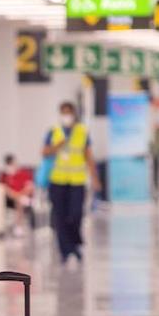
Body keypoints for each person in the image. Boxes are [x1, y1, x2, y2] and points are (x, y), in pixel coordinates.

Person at [42, 102, 100, 266]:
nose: (66, 116)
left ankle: (75, 243)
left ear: (74, 114)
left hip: (77, 181)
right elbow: (44, 153)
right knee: (60, 217)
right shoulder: (54, 131)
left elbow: (88, 156)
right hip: (57, 181)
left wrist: (95, 178)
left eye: (69, 112)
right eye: (63, 113)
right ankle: (66, 251)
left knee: (75, 215)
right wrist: (56, 146)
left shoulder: (82, 131)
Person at [0, 153, 35, 235]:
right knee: (15, 196)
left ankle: (18, 226)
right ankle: (22, 200)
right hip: (9, 199)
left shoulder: (24, 173)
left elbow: (29, 187)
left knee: (19, 202)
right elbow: (4, 188)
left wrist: (21, 194)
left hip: (23, 196)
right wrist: (16, 195)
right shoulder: (4, 175)